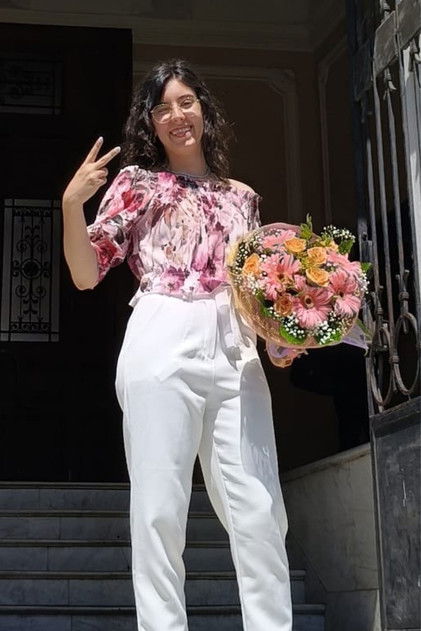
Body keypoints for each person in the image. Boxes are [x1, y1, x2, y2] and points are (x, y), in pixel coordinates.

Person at [62, 58, 292, 631]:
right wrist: (70, 205)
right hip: (162, 333)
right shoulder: (137, 185)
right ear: (151, 122)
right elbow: (86, 275)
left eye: (186, 102)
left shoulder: (243, 197)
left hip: (236, 347)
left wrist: (279, 341)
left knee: (261, 509)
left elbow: (253, 293)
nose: (176, 115)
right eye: (162, 108)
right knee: (160, 509)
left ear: (204, 110)